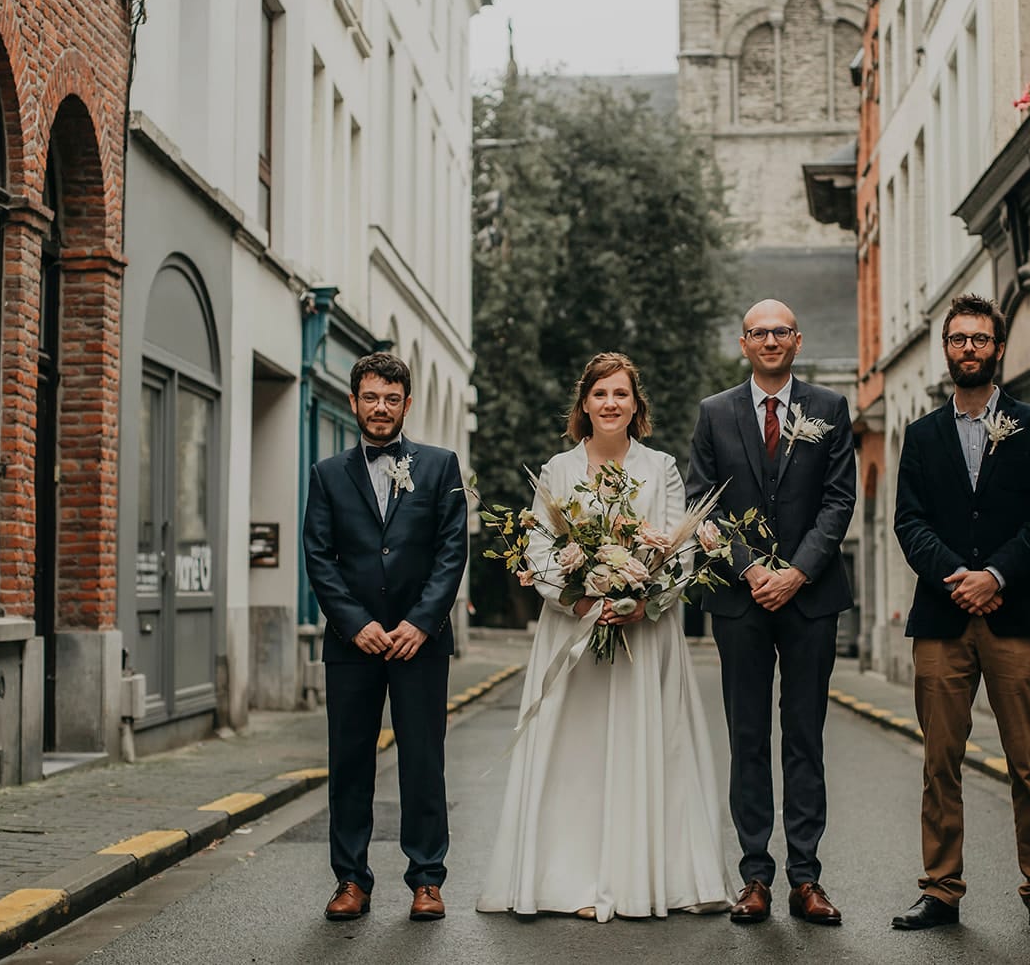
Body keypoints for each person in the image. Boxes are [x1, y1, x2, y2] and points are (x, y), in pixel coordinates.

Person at [477, 352, 731, 923]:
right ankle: (566, 876)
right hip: (574, 632)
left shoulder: (662, 468)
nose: (611, 403)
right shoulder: (557, 469)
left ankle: (648, 877)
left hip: (644, 635)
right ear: (584, 404)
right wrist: (578, 599)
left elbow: (678, 548)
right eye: (600, 394)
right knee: (576, 754)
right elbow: (540, 548)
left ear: (636, 405)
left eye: (621, 394)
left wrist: (644, 599)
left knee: (648, 749)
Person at [890, 293, 1030, 938]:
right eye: (958, 339)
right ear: (946, 349)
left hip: (1016, 616)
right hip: (942, 622)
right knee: (940, 763)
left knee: (1029, 764)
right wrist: (958, 580)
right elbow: (909, 522)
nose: (968, 349)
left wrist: (995, 575)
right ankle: (940, 890)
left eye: (979, 339)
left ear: (997, 348)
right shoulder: (921, 435)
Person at [684, 300, 856, 925]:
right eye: (759, 332)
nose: (771, 340)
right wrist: (752, 569)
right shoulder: (715, 412)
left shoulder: (830, 408)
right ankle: (755, 875)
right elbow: (702, 502)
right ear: (744, 344)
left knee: (805, 738)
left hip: (811, 599)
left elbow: (838, 501)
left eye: (781, 331)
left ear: (797, 341)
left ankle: (806, 878)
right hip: (741, 600)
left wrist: (797, 572)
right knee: (748, 738)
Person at [302, 352, 468, 923]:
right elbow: (319, 556)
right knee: (350, 764)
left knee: (423, 761)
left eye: (391, 399)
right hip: (353, 646)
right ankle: (351, 879)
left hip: (421, 643)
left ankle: (427, 879)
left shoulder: (440, 466)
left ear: (407, 404)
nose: (380, 407)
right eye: (371, 397)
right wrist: (356, 624)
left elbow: (452, 551)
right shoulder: (326, 474)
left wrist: (421, 622)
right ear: (353, 402)